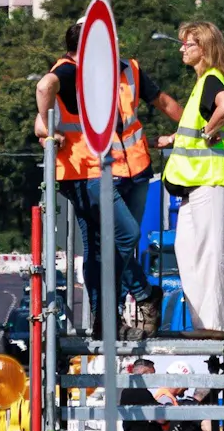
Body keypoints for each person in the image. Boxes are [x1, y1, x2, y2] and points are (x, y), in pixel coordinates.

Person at [34, 20, 173, 335]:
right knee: (125, 235)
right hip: (84, 174)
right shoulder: (70, 71)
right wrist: (47, 128)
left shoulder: (99, 74)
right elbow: (43, 94)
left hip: (108, 169)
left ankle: (105, 320)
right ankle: (132, 300)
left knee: (97, 247)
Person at [158, 21, 224, 338]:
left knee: (209, 253)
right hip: (197, 185)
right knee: (187, 251)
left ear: (203, 48)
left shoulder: (212, 80)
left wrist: (209, 131)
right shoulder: (202, 83)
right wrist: (175, 138)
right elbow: (198, 125)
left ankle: (216, 325)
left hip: (211, 182)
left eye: (187, 43)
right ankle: (204, 324)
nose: (181, 48)